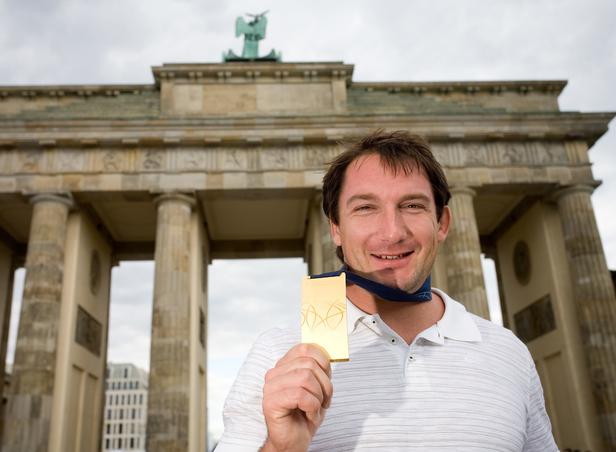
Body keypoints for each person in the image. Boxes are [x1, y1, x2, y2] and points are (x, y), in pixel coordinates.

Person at [215, 130, 557, 451]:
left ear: (441, 223)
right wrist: (281, 448)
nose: (392, 232)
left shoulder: (509, 353)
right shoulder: (276, 353)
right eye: (365, 207)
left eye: (412, 205)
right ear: (336, 228)